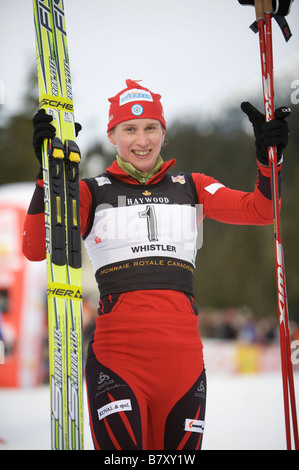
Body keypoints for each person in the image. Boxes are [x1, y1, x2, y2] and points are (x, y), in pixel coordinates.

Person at [22, 79, 290, 450]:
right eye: (129, 129)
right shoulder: (89, 192)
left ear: (164, 132)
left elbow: (261, 211)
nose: (142, 140)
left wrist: (267, 161)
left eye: (151, 128)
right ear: (112, 134)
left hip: (182, 367)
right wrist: (46, 176)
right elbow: (35, 247)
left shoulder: (192, 187)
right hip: (118, 361)